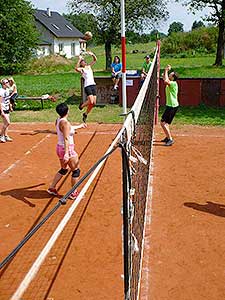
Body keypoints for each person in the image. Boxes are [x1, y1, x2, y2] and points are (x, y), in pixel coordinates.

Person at [47, 102, 87, 199]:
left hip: (59, 148)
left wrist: (79, 126)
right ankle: (74, 193)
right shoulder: (65, 123)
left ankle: (52, 188)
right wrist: (67, 154)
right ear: (67, 111)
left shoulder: (58, 120)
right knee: (76, 171)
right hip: (67, 149)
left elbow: (68, 129)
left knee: (64, 169)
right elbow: (66, 138)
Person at [75, 51, 97, 123]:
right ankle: (81, 106)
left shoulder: (89, 67)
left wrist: (92, 54)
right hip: (87, 86)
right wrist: (79, 59)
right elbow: (76, 68)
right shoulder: (82, 70)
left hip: (93, 85)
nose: (83, 62)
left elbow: (95, 60)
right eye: (82, 62)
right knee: (90, 101)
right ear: (81, 64)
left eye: (84, 61)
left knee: (93, 103)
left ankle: (85, 114)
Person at [160, 65, 179, 146]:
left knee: (162, 123)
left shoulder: (173, 83)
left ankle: (170, 139)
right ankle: (167, 137)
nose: (170, 74)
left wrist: (166, 70)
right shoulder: (171, 82)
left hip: (172, 106)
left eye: (171, 74)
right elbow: (165, 79)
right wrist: (165, 72)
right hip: (171, 105)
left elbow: (165, 81)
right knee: (165, 123)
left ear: (173, 77)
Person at [0, 78, 13, 143]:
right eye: (7, 82)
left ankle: (6, 136)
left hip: (7, 108)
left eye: (8, 82)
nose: (8, 83)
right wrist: (1, 111)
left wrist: (10, 106)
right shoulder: (1, 91)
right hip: (2, 108)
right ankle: (1, 135)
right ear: (3, 84)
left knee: (6, 123)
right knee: (7, 122)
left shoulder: (7, 90)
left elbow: (8, 99)